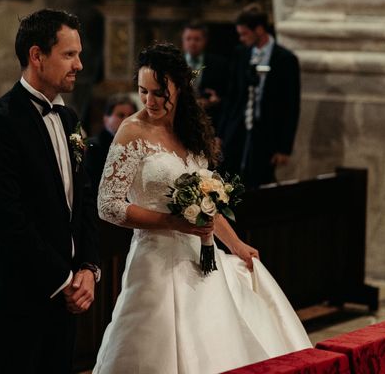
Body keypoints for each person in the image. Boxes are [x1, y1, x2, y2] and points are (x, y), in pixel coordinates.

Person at [93, 44, 310, 374]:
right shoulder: (132, 131)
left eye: (158, 93)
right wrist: (172, 223)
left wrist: (235, 244)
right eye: (142, 92)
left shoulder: (190, 131)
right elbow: (107, 206)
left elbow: (206, 201)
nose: (149, 102)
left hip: (200, 257)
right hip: (155, 260)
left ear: (178, 88)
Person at [0, 8, 100, 374]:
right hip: (19, 295)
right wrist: (62, 279)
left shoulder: (70, 118)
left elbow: (84, 199)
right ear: (36, 56)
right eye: (69, 54)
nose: (79, 64)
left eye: (79, 54)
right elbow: (6, 215)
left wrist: (88, 268)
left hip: (67, 296)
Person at [218, 4, 301, 188]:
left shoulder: (285, 59)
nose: (241, 38)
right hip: (238, 128)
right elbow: (231, 96)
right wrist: (221, 133)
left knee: (258, 182)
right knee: (228, 179)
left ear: (260, 30)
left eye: (245, 34)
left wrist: (284, 148)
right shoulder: (241, 53)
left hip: (266, 131)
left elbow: (291, 105)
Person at [84, 94, 137, 192]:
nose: (126, 120)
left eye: (130, 115)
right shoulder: (93, 147)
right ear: (106, 119)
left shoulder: (138, 146)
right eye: (120, 115)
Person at [181, 21, 229, 128]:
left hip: (211, 122)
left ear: (205, 40)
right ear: (183, 40)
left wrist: (216, 100)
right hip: (181, 121)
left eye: (197, 39)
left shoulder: (219, 64)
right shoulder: (175, 63)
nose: (192, 43)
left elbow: (227, 96)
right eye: (188, 39)